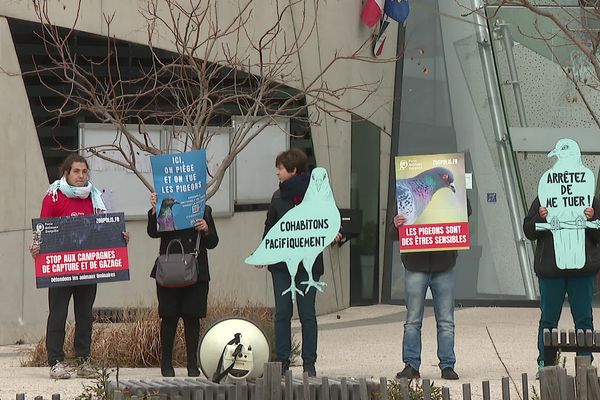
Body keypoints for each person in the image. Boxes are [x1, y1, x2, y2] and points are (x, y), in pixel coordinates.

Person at [29, 154, 129, 379]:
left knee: (84, 315)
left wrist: (119, 237)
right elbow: (42, 229)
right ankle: (56, 362)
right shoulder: (53, 197)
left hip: (87, 268)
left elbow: (104, 229)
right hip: (60, 269)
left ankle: (84, 361)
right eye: (76, 171)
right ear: (66, 173)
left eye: (84, 172)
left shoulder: (95, 198)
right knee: (58, 314)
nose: (81, 176)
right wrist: (36, 245)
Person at [259, 148, 342, 377]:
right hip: (281, 266)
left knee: (307, 313)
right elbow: (269, 229)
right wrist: (263, 253)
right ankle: (283, 362)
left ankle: (309, 363)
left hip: (309, 265)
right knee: (282, 312)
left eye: (280, 168)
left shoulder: (318, 194)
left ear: (293, 170)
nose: (277, 173)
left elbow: (330, 221)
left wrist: (334, 233)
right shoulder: (277, 197)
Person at [392, 200, 471, 381]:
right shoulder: (407, 192)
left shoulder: (449, 190)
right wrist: (395, 224)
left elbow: (465, 210)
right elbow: (393, 232)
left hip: (443, 264)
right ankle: (411, 365)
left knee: (445, 321)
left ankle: (447, 365)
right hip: (415, 264)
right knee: (413, 320)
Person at [523, 197, 600, 372]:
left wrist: (593, 219)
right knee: (549, 320)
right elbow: (529, 231)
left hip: (581, 270)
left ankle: (585, 365)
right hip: (551, 269)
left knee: (584, 320)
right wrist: (540, 217)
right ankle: (546, 364)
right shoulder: (544, 197)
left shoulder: (588, 198)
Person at [147, 192, 219, 377]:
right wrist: (155, 209)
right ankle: (166, 364)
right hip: (169, 270)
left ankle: (192, 364)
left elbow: (213, 243)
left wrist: (206, 228)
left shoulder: (204, 210)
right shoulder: (166, 209)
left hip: (195, 272)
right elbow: (153, 233)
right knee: (169, 318)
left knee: (192, 319)